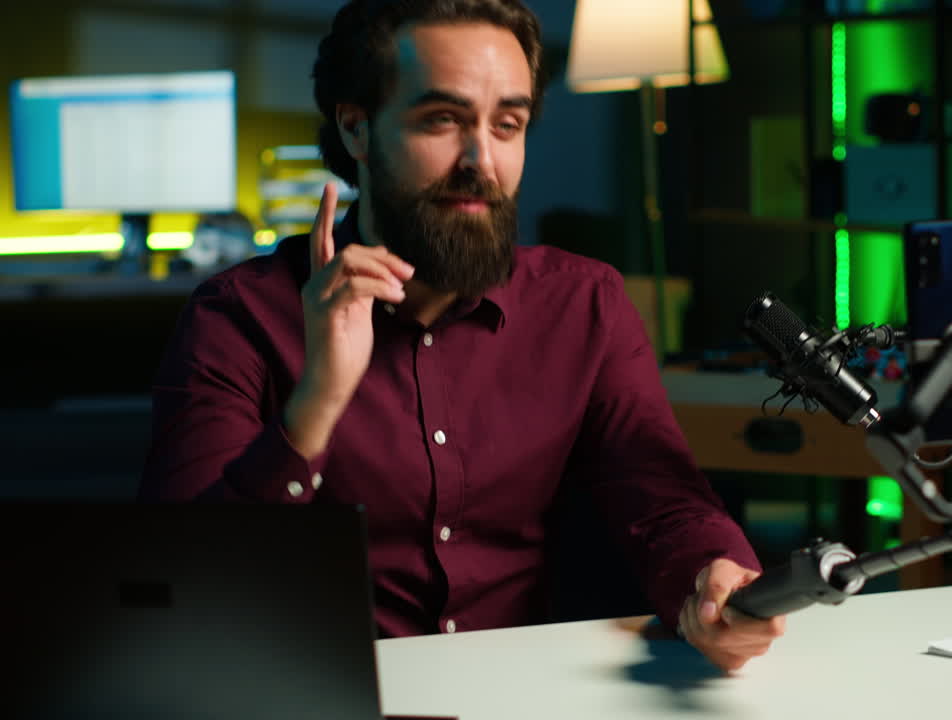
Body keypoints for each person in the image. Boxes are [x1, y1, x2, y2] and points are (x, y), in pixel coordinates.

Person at [139, 0, 784, 672]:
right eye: (443, 120)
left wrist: (717, 578)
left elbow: (664, 503)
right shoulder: (237, 314)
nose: (483, 159)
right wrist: (316, 405)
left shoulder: (585, 304)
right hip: (317, 688)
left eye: (509, 124)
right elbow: (179, 587)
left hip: (527, 694)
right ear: (357, 128)